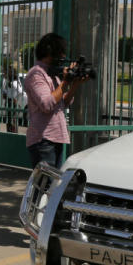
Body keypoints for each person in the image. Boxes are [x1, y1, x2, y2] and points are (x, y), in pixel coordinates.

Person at [24, 33, 87, 167]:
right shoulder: (36, 74)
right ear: (50, 52)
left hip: (56, 137)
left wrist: (75, 84)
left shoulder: (51, 73)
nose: (63, 57)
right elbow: (47, 104)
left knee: (53, 185)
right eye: (61, 52)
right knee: (46, 186)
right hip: (43, 140)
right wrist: (66, 81)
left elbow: (63, 102)